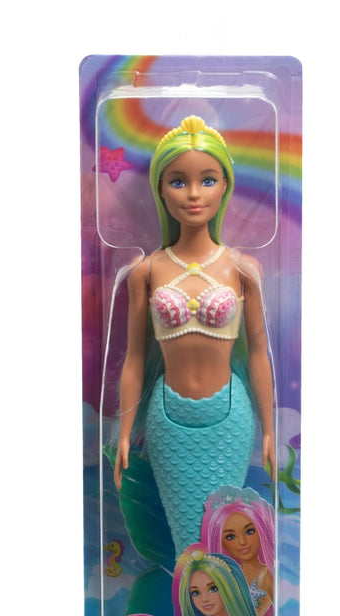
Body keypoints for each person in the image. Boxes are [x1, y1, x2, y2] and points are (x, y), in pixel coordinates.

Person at [112, 115, 275, 555]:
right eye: (178, 181)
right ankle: (186, 598)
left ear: (225, 186)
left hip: (230, 419)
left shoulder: (242, 269)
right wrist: (124, 433)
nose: (194, 194)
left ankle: (227, 599)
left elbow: (258, 352)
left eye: (207, 179)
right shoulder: (147, 271)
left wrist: (268, 429)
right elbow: (134, 359)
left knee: (221, 536)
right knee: (186, 539)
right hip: (167, 421)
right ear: (161, 190)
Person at [201, 486, 275, 616]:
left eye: (249, 532)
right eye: (230, 537)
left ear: (261, 531)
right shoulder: (228, 576)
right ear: (221, 541)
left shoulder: (267, 576)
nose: (242, 542)